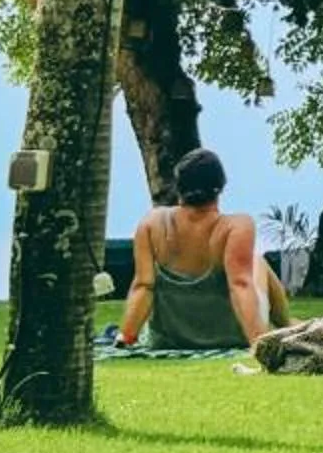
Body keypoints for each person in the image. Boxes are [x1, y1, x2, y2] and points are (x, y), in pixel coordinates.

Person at [118, 148, 291, 352]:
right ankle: (286, 323)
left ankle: (287, 325)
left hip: (168, 338)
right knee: (255, 260)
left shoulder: (151, 223)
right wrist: (258, 343)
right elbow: (240, 285)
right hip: (231, 335)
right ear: (219, 187)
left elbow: (143, 285)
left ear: (179, 186)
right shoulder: (236, 226)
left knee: (247, 261)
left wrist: (126, 336)